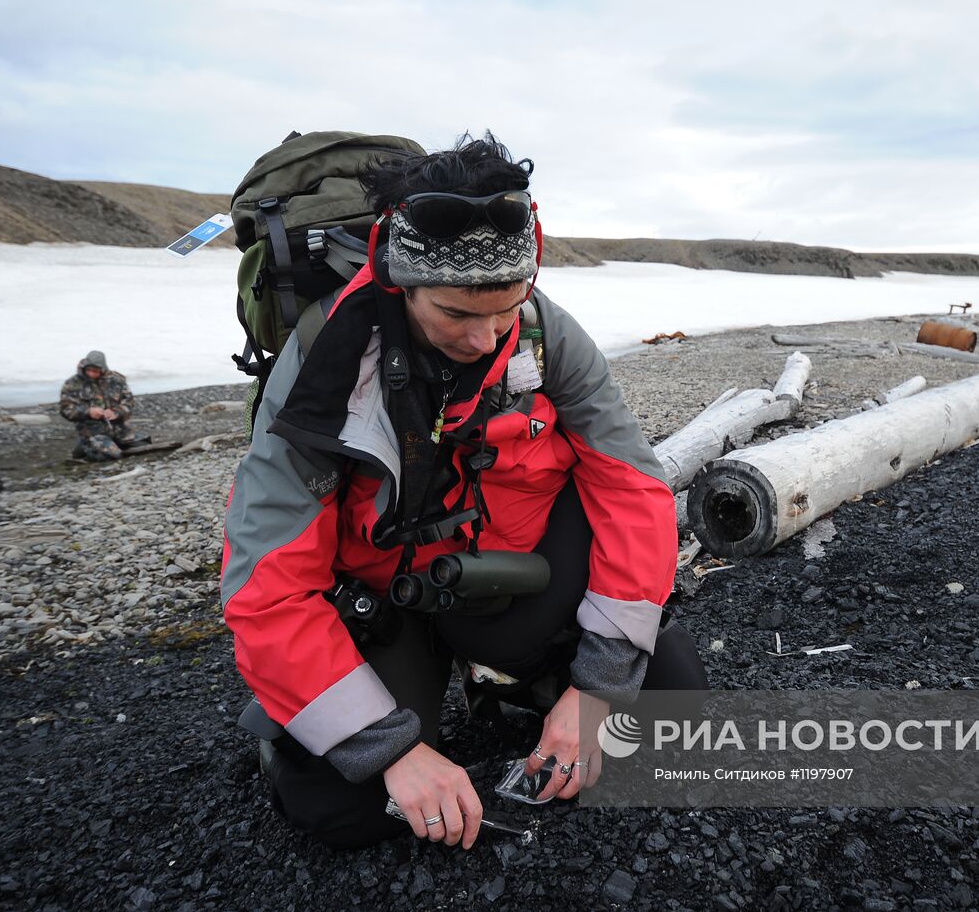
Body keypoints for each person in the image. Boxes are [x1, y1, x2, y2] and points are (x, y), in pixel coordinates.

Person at [222, 133, 707, 852]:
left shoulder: (546, 335)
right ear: (401, 281)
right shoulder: (326, 364)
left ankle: (519, 682)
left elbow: (632, 488)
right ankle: (292, 724)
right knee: (338, 807)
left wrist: (598, 685)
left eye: (505, 310)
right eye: (456, 314)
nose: (485, 339)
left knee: (671, 705)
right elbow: (264, 582)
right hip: (385, 598)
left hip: (504, 576)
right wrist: (392, 750)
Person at [58, 350, 144, 461]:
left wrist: (117, 412)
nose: (92, 374)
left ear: (103, 369)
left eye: (96, 371)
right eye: (89, 370)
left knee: (143, 445)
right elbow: (65, 409)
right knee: (112, 455)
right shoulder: (72, 384)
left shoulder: (116, 380)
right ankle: (84, 448)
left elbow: (129, 402)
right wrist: (88, 412)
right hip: (92, 432)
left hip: (120, 430)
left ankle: (109, 445)